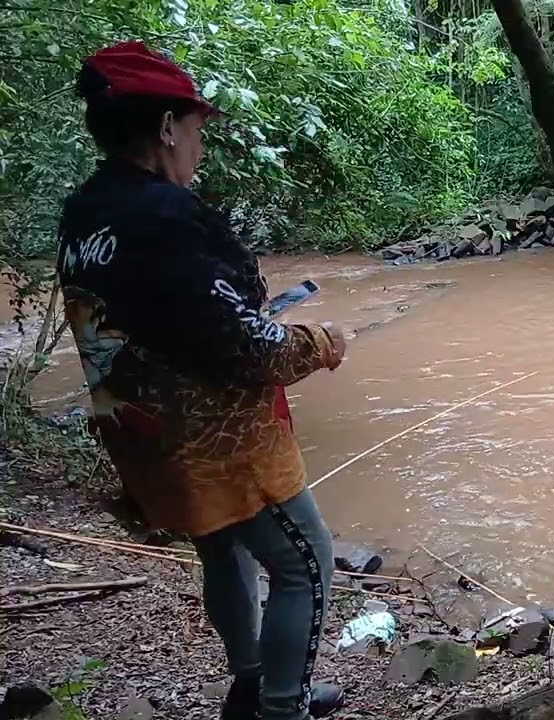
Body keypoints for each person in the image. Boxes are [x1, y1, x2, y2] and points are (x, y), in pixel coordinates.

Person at [58, 41, 345, 720]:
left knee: (221, 547)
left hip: (143, 437)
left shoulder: (84, 212)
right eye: (196, 128)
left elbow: (160, 319)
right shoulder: (169, 218)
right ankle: (282, 708)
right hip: (216, 441)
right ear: (166, 127)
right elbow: (249, 350)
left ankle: (252, 684)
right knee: (305, 562)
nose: (200, 144)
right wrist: (321, 343)